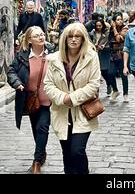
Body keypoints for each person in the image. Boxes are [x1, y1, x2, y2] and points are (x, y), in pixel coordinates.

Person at [44, 23, 101, 174]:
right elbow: (48, 85)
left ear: (83, 39)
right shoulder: (54, 59)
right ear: (65, 39)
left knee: (77, 151)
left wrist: (73, 97)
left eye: (77, 36)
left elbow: (94, 84)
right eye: (70, 36)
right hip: (61, 112)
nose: (74, 40)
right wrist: (63, 98)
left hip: (83, 112)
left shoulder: (91, 57)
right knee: (67, 153)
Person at [7, 26, 51, 174]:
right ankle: (42, 153)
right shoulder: (22, 55)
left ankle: (37, 162)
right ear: (30, 40)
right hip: (32, 100)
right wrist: (17, 83)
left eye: (42, 34)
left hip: (50, 100)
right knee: (36, 130)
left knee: (42, 128)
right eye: (37, 36)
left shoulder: (52, 52)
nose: (41, 37)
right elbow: (11, 71)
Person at [109, 13, 129, 103]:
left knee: (123, 74)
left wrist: (114, 29)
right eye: (117, 19)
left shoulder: (125, 28)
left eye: (121, 19)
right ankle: (115, 90)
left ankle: (125, 93)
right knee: (110, 73)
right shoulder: (110, 29)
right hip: (113, 54)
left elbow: (119, 39)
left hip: (122, 54)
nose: (120, 21)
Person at [89, 19, 112, 95]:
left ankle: (109, 84)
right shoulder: (92, 33)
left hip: (103, 54)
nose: (98, 27)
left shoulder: (107, 33)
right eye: (97, 26)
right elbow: (89, 41)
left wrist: (103, 46)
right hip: (94, 54)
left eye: (100, 26)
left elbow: (108, 43)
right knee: (96, 73)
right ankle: (96, 91)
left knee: (104, 72)